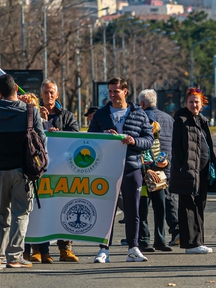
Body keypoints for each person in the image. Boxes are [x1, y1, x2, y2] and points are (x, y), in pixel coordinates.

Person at [88, 78, 154, 263]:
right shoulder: (101, 114)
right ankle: (103, 250)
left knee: (133, 210)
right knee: (106, 209)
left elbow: (149, 139)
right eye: (110, 91)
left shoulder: (139, 114)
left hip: (132, 166)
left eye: (116, 91)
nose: (112, 95)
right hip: (107, 168)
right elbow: (90, 140)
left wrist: (134, 141)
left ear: (126, 92)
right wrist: (103, 137)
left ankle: (133, 248)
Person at [0, 73, 45, 268]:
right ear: (16, 88)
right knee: (21, 213)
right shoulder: (29, 111)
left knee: (1, 213)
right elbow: (41, 138)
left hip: (0, 169)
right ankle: (15, 256)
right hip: (23, 169)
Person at [32, 80, 79, 262]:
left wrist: (59, 133)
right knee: (39, 208)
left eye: (52, 92)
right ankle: (38, 248)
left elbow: (74, 136)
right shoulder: (33, 113)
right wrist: (41, 122)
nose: (49, 96)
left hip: (61, 168)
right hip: (38, 168)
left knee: (62, 206)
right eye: (45, 92)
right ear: (41, 94)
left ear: (57, 95)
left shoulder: (66, 115)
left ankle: (65, 249)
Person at [170, 88, 216, 254]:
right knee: (188, 206)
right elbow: (177, 148)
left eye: (197, 101)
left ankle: (199, 241)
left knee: (199, 205)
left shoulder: (202, 120)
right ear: (186, 103)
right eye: (190, 101)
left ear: (202, 103)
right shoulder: (181, 120)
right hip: (189, 170)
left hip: (203, 170)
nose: (194, 104)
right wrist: (183, 168)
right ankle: (190, 244)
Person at [138, 89, 178, 252]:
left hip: (159, 172)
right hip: (144, 173)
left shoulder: (156, 135)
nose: (152, 126)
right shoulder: (169, 118)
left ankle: (160, 240)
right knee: (143, 208)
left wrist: (164, 162)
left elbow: (164, 149)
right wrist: (148, 169)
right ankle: (144, 240)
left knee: (159, 206)